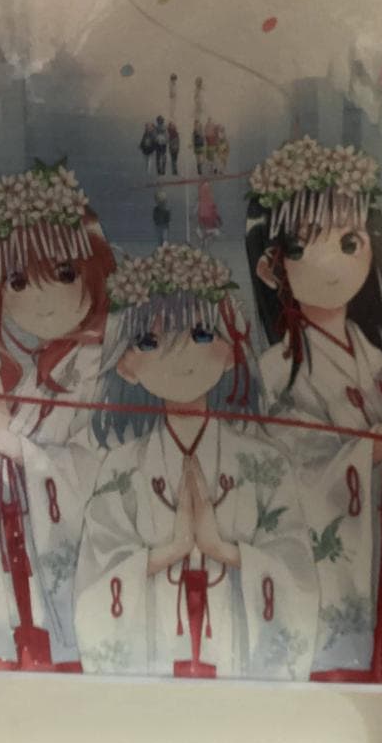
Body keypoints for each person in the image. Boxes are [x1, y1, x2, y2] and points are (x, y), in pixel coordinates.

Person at [245, 137, 382, 683]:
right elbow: (313, 479)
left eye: (349, 242)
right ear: (272, 268)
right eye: (302, 245)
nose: (331, 262)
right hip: (334, 604)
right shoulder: (274, 374)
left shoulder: (381, 364)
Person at [74, 244, 319, 680]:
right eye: (151, 342)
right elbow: (95, 585)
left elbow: (297, 574)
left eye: (202, 335)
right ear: (127, 366)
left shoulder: (265, 464)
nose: (179, 355)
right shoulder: (120, 468)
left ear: (231, 351)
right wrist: (167, 552)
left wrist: (224, 550)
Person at [0, 160, 116, 671]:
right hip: (23, 568)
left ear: (93, 272)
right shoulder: (33, 376)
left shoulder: (105, 367)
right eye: (18, 281)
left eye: (65, 274)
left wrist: (3, 434)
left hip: (83, 589)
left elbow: (96, 472)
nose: (42, 300)